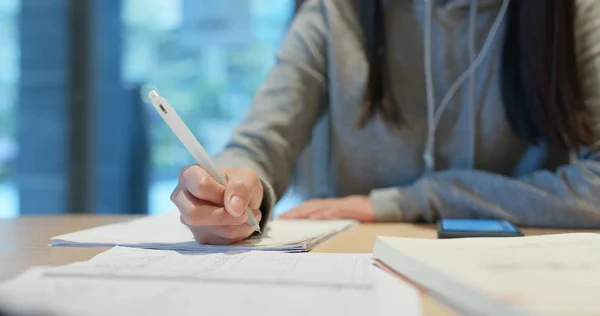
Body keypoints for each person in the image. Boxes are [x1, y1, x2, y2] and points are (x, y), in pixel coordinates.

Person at [170, 0, 600, 245]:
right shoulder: (337, 12)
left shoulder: (576, 12)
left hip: (521, 270)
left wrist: (422, 198)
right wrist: (229, 188)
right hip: (355, 269)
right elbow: (260, 145)